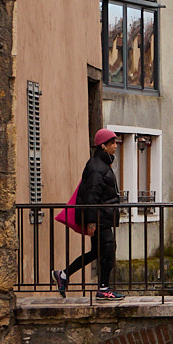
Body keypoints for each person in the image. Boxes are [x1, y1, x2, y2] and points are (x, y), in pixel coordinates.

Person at [55, 127, 122, 300]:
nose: (115, 146)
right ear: (103, 146)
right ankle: (103, 288)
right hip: (100, 217)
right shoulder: (97, 167)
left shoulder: (101, 164)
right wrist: (91, 221)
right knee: (108, 250)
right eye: (112, 143)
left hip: (102, 216)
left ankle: (63, 274)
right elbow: (91, 195)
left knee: (97, 252)